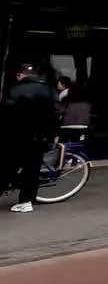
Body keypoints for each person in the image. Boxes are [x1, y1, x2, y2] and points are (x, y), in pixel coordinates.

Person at [1, 65, 58, 213]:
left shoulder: (15, 90)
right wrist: (53, 134)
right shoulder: (47, 90)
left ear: (20, 75)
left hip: (17, 136)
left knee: (8, 166)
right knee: (32, 169)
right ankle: (26, 202)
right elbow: (53, 114)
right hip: (39, 137)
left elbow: (8, 116)